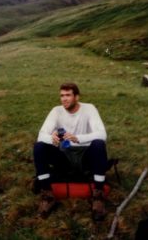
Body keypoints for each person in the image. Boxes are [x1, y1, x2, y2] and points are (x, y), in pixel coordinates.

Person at [33, 82, 108, 221]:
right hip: (64, 156)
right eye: (62, 96)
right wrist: (52, 138)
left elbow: (102, 134)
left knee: (98, 144)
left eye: (68, 95)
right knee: (39, 146)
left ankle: (98, 196)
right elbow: (41, 135)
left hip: (85, 155)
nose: (64, 99)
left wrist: (78, 138)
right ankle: (47, 196)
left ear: (77, 97)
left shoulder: (89, 108)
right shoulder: (56, 111)